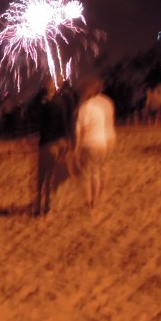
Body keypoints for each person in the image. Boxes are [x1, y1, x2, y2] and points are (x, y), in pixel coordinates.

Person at [73, 73, 116, 212]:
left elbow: (80, 130)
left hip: (91, 142)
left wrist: (76, 148)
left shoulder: (85, 107)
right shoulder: (107, 102)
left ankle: (89, 201)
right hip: (106, 138)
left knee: (87, 173)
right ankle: (100, 196)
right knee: (101, 168)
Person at [33, 75, 73, 216]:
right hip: (58, 143)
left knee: (41, 177)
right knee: (50, 177)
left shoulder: (42, 103)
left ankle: (38, 205)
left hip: (45, 144)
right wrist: (66, 142)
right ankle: (47, 207)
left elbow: (36, 122)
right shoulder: (61, 103)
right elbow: (65, 124)